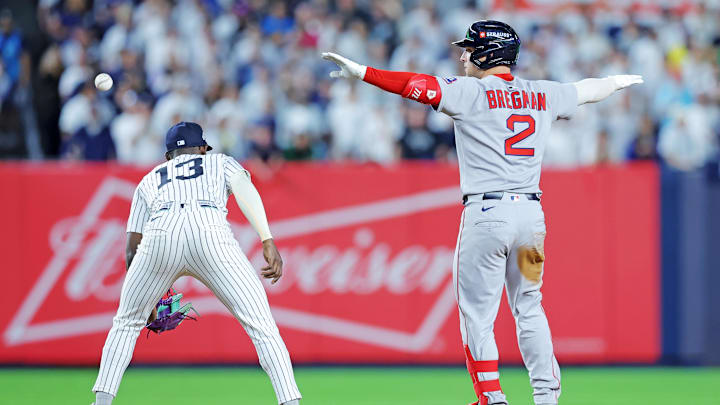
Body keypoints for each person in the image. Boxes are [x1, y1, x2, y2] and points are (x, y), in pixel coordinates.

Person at [322, 20, 642, 405]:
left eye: (470, 48)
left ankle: (491, 396)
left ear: (488, 53)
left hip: (487, 214)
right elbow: (588, 90)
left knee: (477, 312)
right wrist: (618, 80)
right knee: (530, 306)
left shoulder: (471, 92)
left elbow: (415, 86)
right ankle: (546, 397)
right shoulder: (541, 92)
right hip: (530, 219)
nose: (463, 55)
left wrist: (363, 73)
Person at [91, 122, 301, 405]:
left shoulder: (150, 178)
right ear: (202, 148)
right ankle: (290, 402)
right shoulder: (218, 162)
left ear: (168, 157)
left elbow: (132, 246)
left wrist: (145, 296)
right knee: (263, 327)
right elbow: (243, 187)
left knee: (127, 323)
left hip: (160, 233)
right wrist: (266, 238)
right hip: (210, 230)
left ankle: (101, 402)